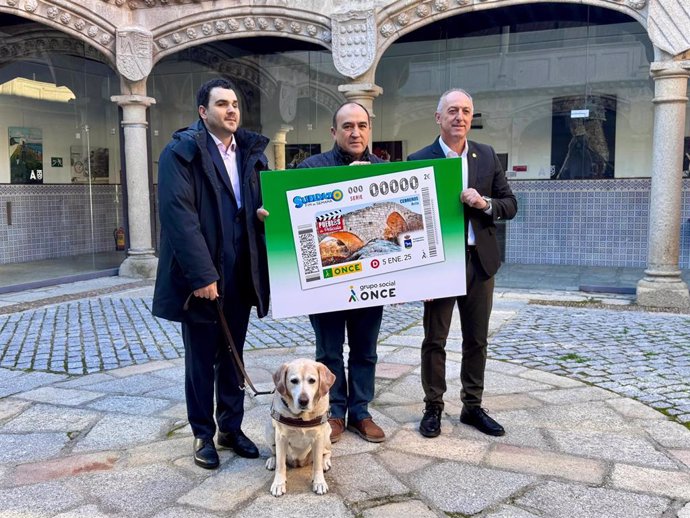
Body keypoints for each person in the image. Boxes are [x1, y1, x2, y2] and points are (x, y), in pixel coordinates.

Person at [152, 78, 271, 469]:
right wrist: (203, 275)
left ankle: (231, 428)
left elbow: (258, 205)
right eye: (222, 104)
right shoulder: (180, 153)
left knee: (233, 356)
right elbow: (179, 218)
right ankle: (202, 434)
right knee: (201, 360)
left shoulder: (252, 154)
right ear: (203, 112)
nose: (231, 110)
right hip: (202, 281)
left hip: (240, 275)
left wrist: (262, 214)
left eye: (235, 103)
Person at [408, 89, 517, 438]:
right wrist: (419, 277)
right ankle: (433, 408)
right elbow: (409, 220)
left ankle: (472, 406)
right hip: (439, 264)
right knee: (434, 340)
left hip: (479, 262)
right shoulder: (418, 159)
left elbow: (510, 204)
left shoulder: (486, 156)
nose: (460, 117)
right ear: (438, 118)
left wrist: (485, 203)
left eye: (466, 111)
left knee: (476, 340)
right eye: (452, 111)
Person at [296, 102, 386, 443]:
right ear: (334, 132)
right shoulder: (309, 169)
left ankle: (360, 412)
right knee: (329, 353)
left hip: (371, 280)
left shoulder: (385, 171)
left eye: (362, 125)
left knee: (365, 350)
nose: (355, 132)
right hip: (325, 285)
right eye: (347, 126)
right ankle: (334, 412)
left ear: (369, 129)